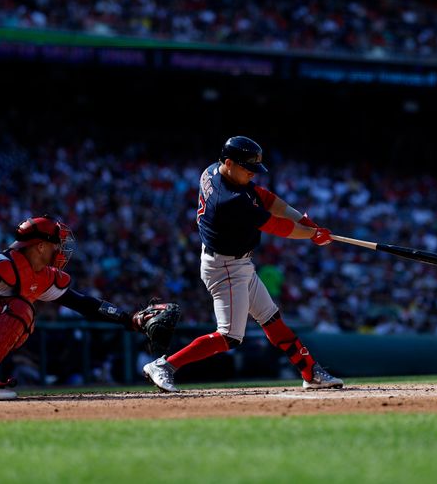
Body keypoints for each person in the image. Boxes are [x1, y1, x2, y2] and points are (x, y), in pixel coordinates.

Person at [142, 136, 344, 392]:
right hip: (224, 267)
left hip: (236, 263)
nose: (251, 174)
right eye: (247, 168)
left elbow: (265, 198)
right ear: (229, 163)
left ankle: (310, 371)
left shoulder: (214, 171)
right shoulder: (230, 200)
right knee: (229, 336)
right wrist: (312, 235)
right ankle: (165, 366)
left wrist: (303, 220)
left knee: (272, 319)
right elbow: (276, 226)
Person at [0, 214, 180, 400]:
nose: (61, 249)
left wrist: (129, 319)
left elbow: (81, 303)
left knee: (22, 316)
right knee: (20, 310)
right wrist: (4, 304)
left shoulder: (39, 274)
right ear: (40, 246)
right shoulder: (0, 263)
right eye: (57, 243)